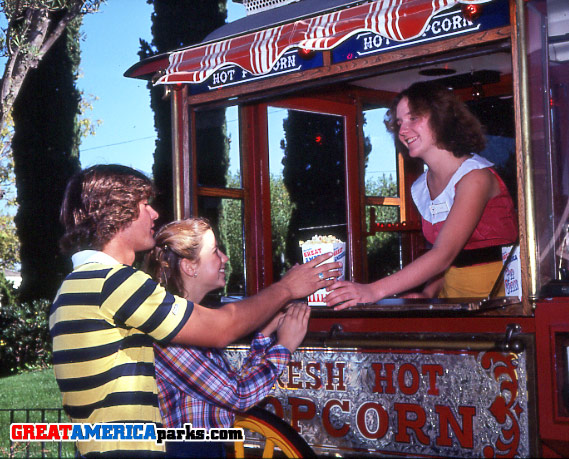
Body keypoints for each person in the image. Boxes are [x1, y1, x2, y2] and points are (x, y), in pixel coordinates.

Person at [49, 164, 339, 457]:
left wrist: (265, 330)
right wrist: (287, 288)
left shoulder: (72, 287)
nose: (155, 214)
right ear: (117, 213)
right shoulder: (114, 282)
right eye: (144, 205)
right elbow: (222, 330)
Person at [325, 81, 517, 309]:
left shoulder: (476, 178)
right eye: (399, 123)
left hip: (498, 303)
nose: (403, 131)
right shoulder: (421, 186)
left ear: (441, 117)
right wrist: (429, 292)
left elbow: (444, 254)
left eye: (413, 118)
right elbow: (451, 261)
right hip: (455, 301)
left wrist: (372, 290)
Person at [143, 218, 309, 458]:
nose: (225, 258)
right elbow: (239, 396)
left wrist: (264, 335)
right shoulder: (171, 334)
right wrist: (284, 346)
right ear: (190, 267)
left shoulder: (192, 324)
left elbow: (229, 387)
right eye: (215, 252)